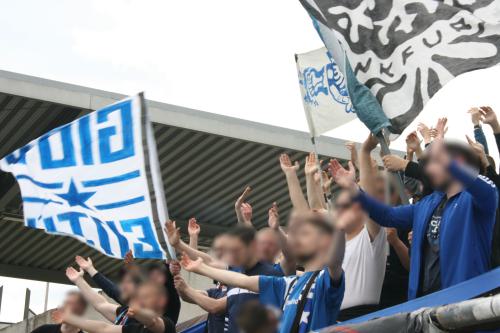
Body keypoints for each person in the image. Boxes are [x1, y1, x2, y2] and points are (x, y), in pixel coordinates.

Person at [330, 138, 498, 299]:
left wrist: (449, 163)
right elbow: (387, 216)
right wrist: (354, 188)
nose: (429, 170)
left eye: (435, 163)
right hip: (423, 309)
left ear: (457, 162)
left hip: (465, 308)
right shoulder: (427, 203)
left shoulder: (478, 197)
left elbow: (485, 189)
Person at [180, 210, 346, 333]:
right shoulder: (288, 283)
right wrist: (201, 268)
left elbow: (336, 258)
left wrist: (335, 223)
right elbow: (242, 280)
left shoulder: (326, 280)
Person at [52, 282, 175, 333]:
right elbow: (103, 326)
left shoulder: (167, 325)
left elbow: (153, 321)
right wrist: (79, 280)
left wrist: (139, 312)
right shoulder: (134, 327)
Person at [69, 259, 142, 326]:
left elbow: (113, 291)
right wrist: (79, 280)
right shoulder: (125, 313)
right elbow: (100, 304)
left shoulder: (147, 321)